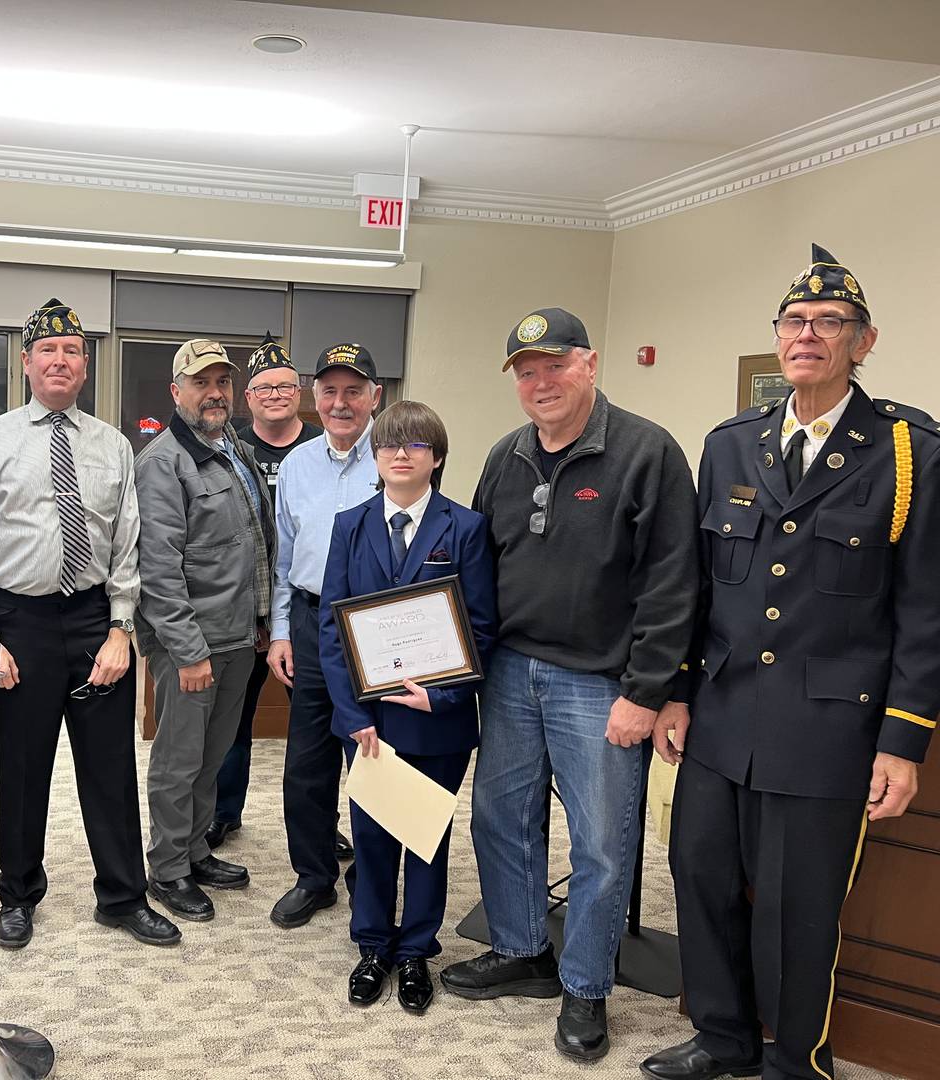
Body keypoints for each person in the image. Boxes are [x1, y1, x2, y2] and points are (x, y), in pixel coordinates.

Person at [642, 246, 940, 1080]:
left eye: (829, 323)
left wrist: (902, 742)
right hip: (722, 714)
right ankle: (722, 1036)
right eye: (794, 322)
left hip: (827, 728)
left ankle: (794, 1059)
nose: (808, 335)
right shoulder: (732, 444)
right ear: (779, 338)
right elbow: (698, 586)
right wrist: (672, 694)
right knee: (699, 879)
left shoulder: (908, 453)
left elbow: (923, 611)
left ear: (863, 341)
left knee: (797, 910)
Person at [443, 308, 698, 1062]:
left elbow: (673, 584)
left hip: (604, 683)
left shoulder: (647, 452)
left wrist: (647, 691)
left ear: (590, 365)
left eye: (555, 365)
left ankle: (586, 987)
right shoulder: (505, 455)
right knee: (501, 819)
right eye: (526, 372)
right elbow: (477, 563)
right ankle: (522, 952)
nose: (540, 382)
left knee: (603, 846)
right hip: (512, 670)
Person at [0, 298, 178, 950]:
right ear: (26, 363)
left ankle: (123, 897)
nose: (60, 360)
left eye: (72, 351)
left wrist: (120, 629)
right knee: (20, 772)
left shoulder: (113, 444)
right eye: (47, 351)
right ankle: (17, 894)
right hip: (17, 620)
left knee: (110, 767)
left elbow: (126, 544)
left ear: (84, 365)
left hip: (92, 618)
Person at [319, 401, 496, 1013]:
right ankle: (372, 945)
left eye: (416, 445)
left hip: (436, 717)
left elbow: (481, 628)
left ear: (436, 457)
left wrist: (443, 694)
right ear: (375, 455)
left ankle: (417, 948)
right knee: (370, 836)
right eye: (391, 444)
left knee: (426, 837)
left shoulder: (466, 528)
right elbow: (331, 627)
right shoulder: (351, 524)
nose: (402, 453)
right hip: (369, 720)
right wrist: (352, 714)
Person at [135, 339, 273, 923]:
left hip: (238, 638)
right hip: (192, 645)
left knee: (212, 755)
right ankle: (167, 868)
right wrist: (188, 652)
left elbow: (256, 544)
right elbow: (158, 570)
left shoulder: (233, 448)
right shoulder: (163, 463)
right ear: (176, 392)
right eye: (200, 383)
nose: (214, 393)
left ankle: (194, 849)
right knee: (178, 759)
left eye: (222, 382)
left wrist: (263, 622)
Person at [268, 343, 384, 929]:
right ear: (315, 400)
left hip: (373, 626)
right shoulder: (296, 466)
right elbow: (284, 557)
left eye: (353, 391)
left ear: (374, 398)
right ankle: (314, 877)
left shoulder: (394, 458)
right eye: (330, 392)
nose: (341, 403)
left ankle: (370, 880)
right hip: (313, 625)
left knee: (369, 756)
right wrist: (281, 631)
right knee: (306, 764)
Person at [206, 334, 322, 850]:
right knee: (231, 718)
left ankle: (324, 822)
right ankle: (223, 813)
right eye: (261, 387)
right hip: (242, 607)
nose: (274, 394)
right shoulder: (228, 446)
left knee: (321, 727)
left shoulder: (323, 446)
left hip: (305, 606)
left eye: (283, 385)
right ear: (247, 398)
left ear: (299, 392)